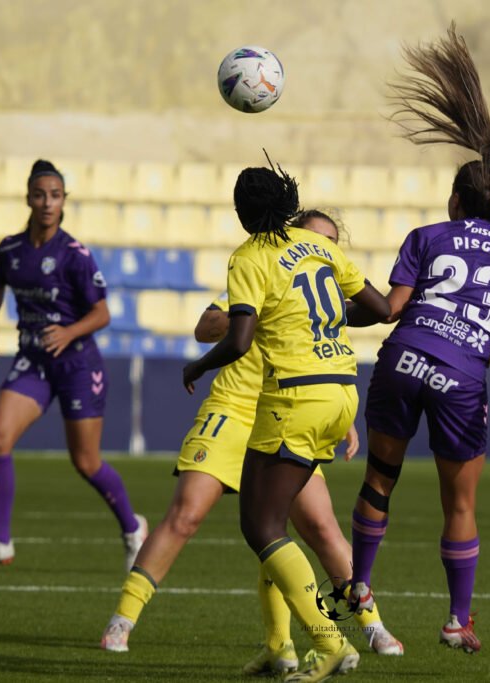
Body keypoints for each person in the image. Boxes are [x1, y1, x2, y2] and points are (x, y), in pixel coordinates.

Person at [100, 210, 403, 671]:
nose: (322, 247)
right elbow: (206, 327)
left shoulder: (322, 293)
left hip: (290, 410)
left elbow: (325, 358)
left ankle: (366, 625)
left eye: (331, 241)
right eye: (315, 236)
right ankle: (124, 618)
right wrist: (252, 313)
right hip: (235, 407)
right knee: (187, 514)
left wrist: (343, 422)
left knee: (315, 529)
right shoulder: (262, 269)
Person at [343, 24, 490, 656]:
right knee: (459, 505)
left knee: (380, 479)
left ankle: (360, 585)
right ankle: (458, 619)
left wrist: (334, 314)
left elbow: (393, 308)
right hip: (460, 377)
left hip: (404, 359)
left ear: (456, 198)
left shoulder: (428, 235)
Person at [180, 164, 390, 682]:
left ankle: (329, 641)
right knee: (281, 522)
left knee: (262, 525)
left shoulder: (249, 256)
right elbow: (382, 308)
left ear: (242, 213)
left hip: (294, 397)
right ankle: (283, 646)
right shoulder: (319, 246)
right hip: (342, 392)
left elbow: (239, 339)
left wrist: (198, 365)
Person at [0, 159, 147, 571]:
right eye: (40, 195)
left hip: (77, 365)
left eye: (55, 196)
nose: (47, 203)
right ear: (28, 198)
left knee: (86, 462)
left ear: (64, 202)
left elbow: (102, 314)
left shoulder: (75, 254)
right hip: (33, 361)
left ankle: (133, 528)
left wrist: (68, 332)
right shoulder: (10, 249)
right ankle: (0, 540)